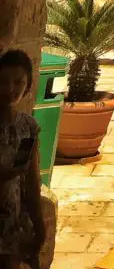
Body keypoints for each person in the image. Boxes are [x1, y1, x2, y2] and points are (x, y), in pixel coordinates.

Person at [0, 49, 45, 269]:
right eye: (4, 81)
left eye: (18, 82)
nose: (10, 89)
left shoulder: (27, 128)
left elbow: (31, 181)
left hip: (12, 225)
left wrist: (39, 226)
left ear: (28, 85)